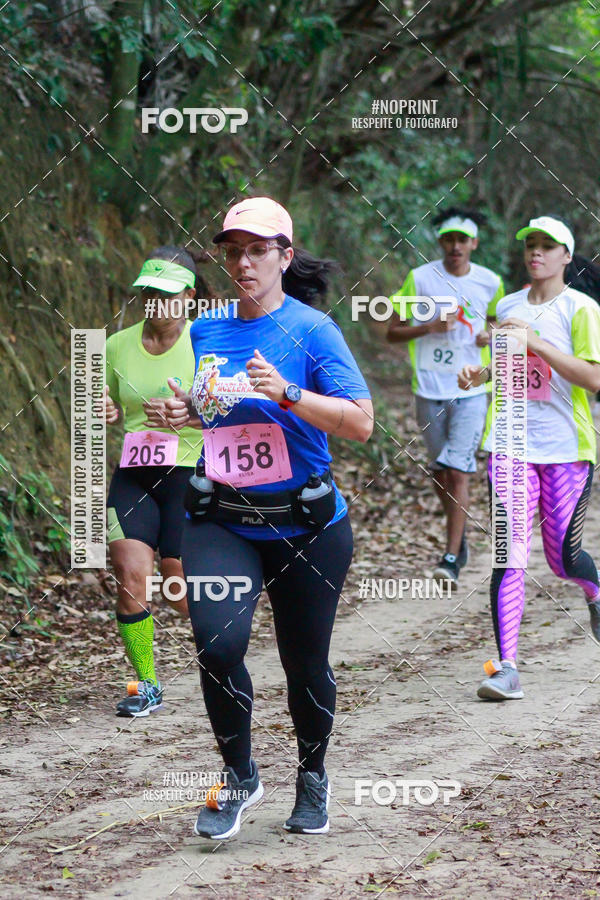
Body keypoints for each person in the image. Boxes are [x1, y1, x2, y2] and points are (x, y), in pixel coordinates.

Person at [164, 197, 373, 839]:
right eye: (233, 252)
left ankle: (312, 778)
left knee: (303, 663)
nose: (243, 263)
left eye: (257, 250)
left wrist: (287, 391)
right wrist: (185, 416)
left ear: (285, 255)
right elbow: (211, 411)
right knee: (218, 644)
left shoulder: (314, 331)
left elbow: (362, 423)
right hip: (223, 517)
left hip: (307, 526)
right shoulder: (205, 330)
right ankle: (240, 775)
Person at [458, 215, 600, 700]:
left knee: (563, 557)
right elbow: (508, 363)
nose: (535, 252)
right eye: (530, 245)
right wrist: (479, 376)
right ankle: (506, 668)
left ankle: (594, 591)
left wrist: (534, 341)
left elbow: (593, 379)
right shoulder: (508, 305)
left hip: (566, 447)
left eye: (547, 246)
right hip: (512, 444)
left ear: (566, 256)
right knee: (510, 552)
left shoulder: (581, 309)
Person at [105, 246, 204, 717]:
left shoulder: (205, 342)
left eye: (166, 294)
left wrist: (188, 416)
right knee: (129, 574)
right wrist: (101, 411)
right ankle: (147, 684)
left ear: (189, 295)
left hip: (191, 471)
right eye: (148, 293)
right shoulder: (114, 345)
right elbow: (97, 406)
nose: (156, 302)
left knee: (180, 591)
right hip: (135, 473)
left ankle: (222, 659)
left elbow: (230, 415)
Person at [387, 207, 504, 586]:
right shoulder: (420, 279)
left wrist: (491, 334)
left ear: (473, 243)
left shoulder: (489, 281)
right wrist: (427, 327)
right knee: (439, 471)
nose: (455, 247)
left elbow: (497, 321)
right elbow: (392, 332)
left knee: (458, 469)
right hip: (429, 387)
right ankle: (461, 535)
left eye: (462, 240)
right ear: (441, 242)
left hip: (472, 389)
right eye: (448, 239)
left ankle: (451, 557)